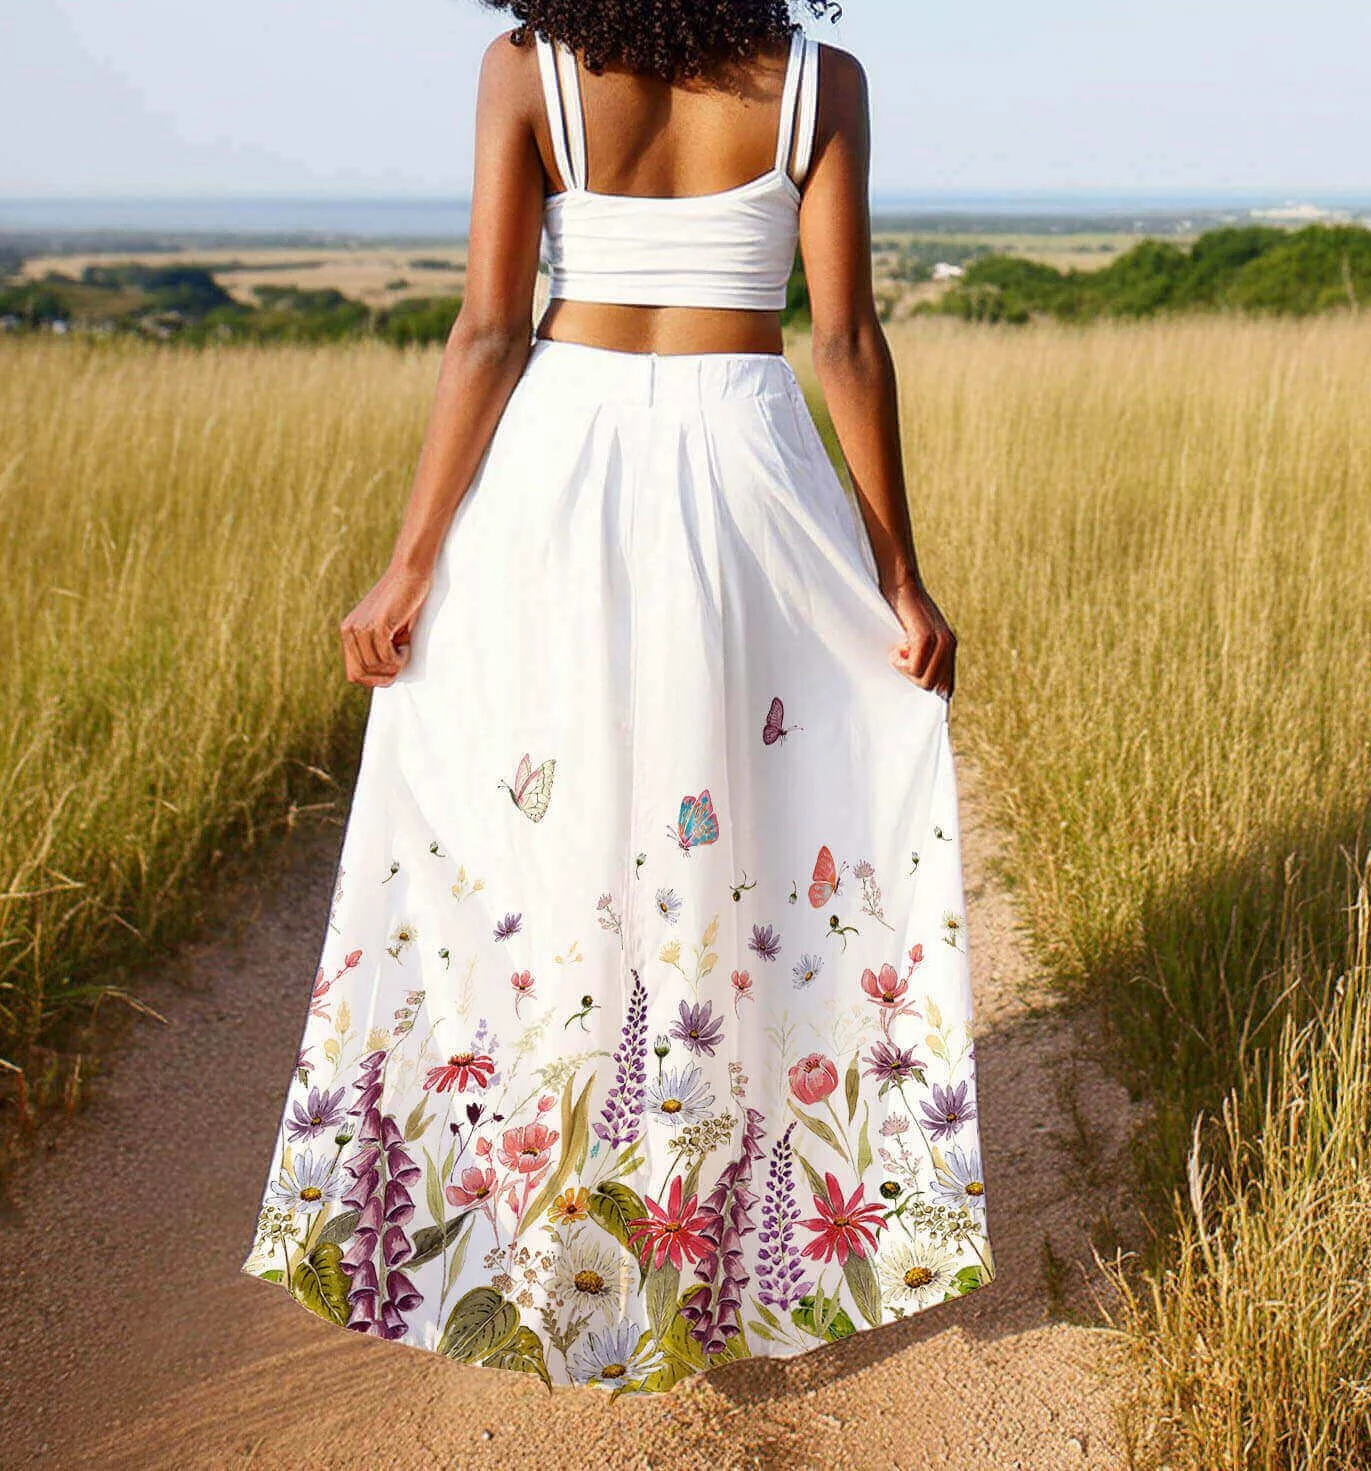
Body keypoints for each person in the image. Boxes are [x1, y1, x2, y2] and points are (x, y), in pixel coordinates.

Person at [242, 0, 991, 1395]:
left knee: (547, 831)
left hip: (562, 462)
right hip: (746, 465)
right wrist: (898, 576)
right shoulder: (819, 79)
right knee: (741, 838)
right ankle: (711, 1220)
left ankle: (536, 1218)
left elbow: (484, 332)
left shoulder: (526, 70)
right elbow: (844, 344)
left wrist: (407, 566)